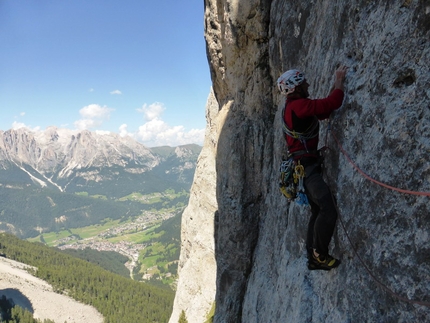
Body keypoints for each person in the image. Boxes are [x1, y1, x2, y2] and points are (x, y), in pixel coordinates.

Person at [277, 66, 348, 270]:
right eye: (303, 83)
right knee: (328, 207)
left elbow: (323, 111)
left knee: (318, 209)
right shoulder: (299, 106)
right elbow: (332, 103)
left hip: (304, 165)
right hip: (306, 168)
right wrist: (339, 82)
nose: (307, 85)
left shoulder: (293, 107)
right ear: (295, 89)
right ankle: (319, 255)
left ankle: (312, 256)